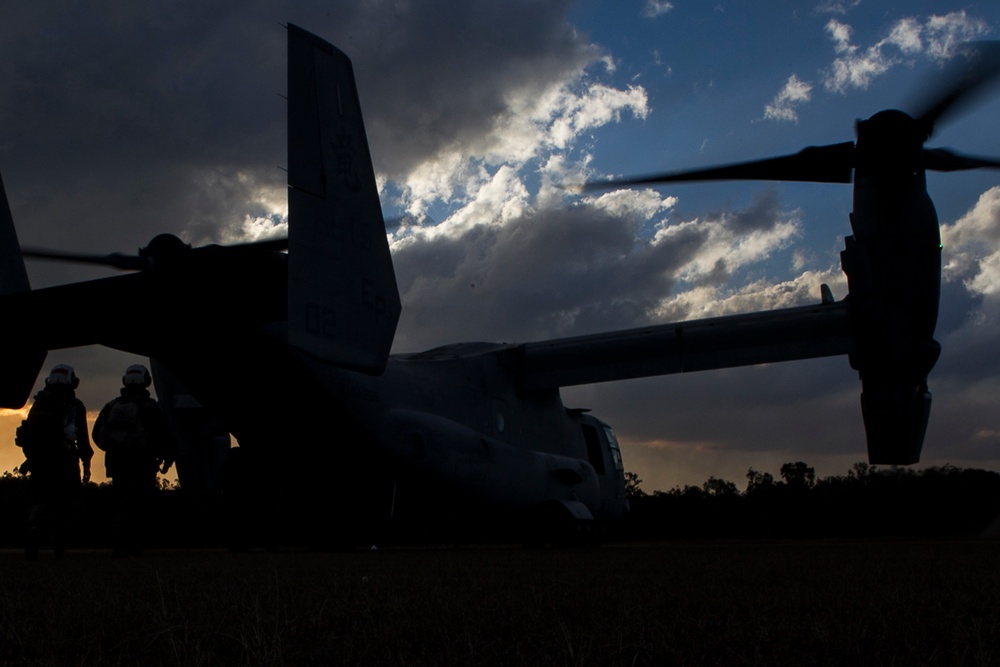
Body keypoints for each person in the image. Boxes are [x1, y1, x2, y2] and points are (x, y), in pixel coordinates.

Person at [92, 364, 176, 556]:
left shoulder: (112, 406)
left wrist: (112, 450)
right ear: (146, 382)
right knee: (139, 503)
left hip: (117, 464)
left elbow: (97, 434)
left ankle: (120, 543)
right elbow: (165, 435)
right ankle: (135, 543)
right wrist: (167, 459)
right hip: (143, 464)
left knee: (122, 503)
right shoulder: (152, 408)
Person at [15, 363, 93, 560]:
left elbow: (29, 432)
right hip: (66, 461)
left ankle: (35, 527)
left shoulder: (40, 401)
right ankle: (59, 546)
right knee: (64, 504)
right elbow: (83, 439)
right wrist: (86, 464)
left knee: (40, 501)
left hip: (39, 461)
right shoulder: (76, 406)